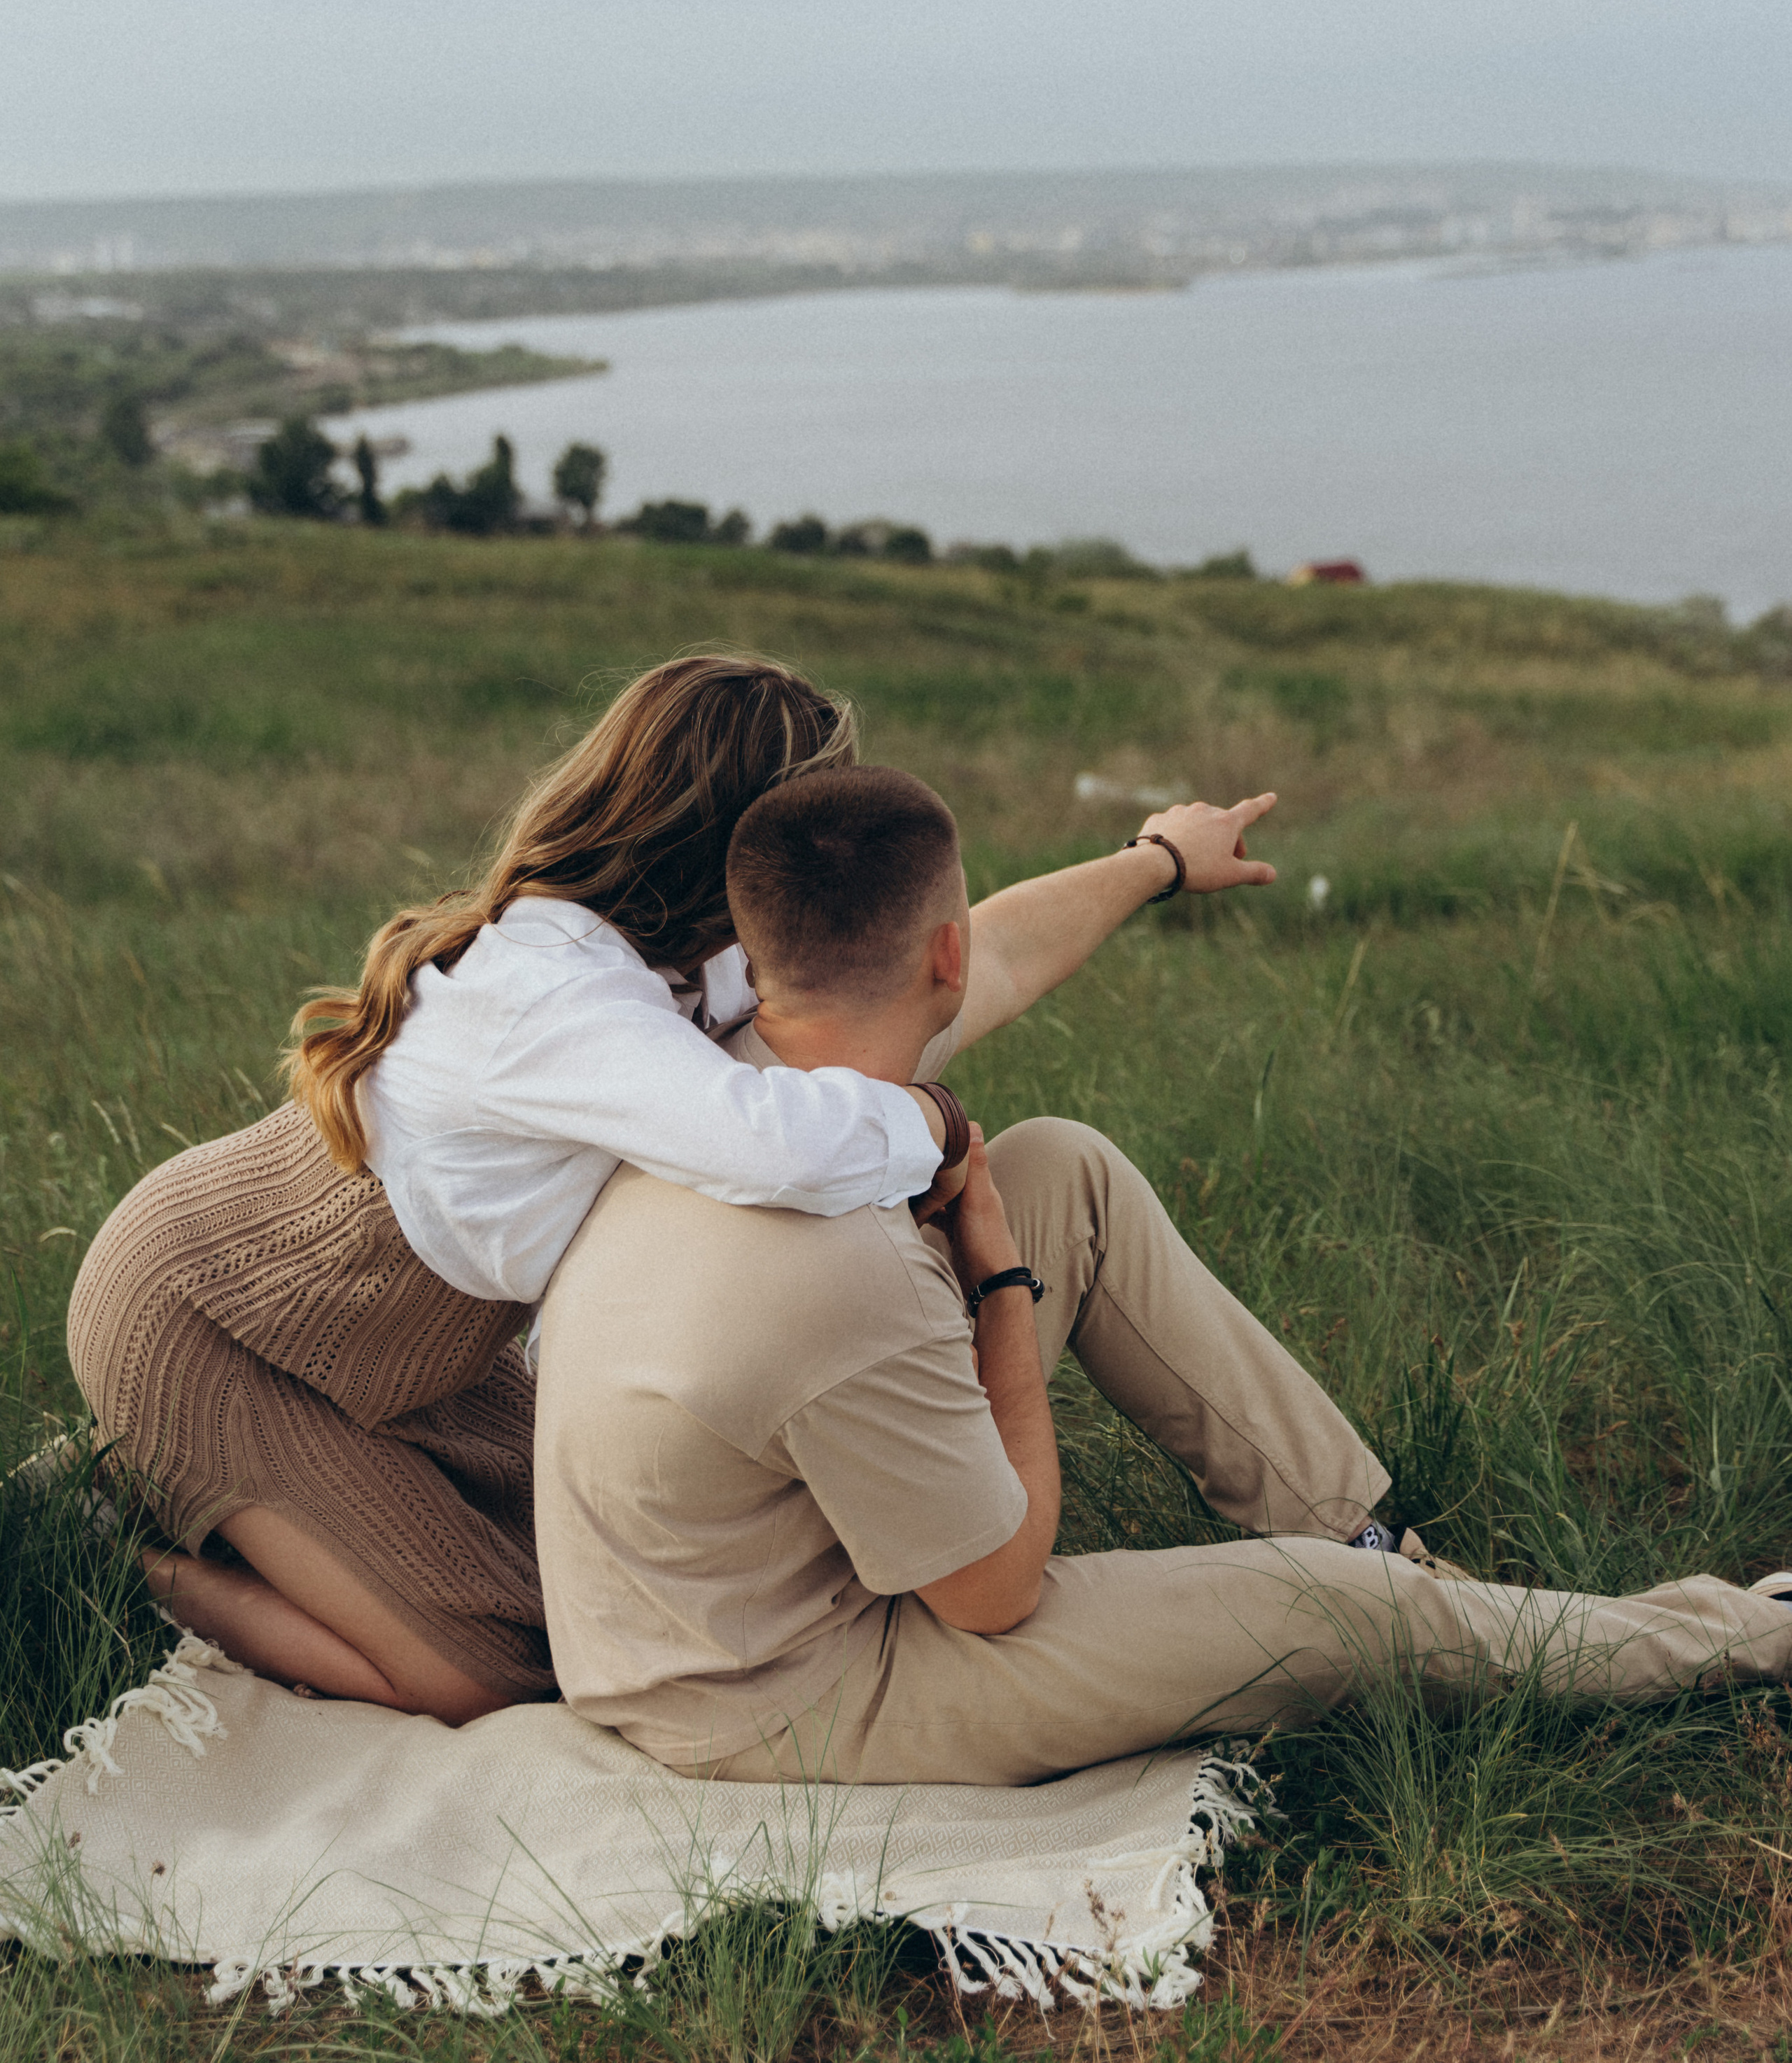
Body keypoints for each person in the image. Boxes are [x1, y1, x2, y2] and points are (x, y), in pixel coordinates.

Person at [67, 652, 1278, 1726]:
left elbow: (977, 958)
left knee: (593, 1587)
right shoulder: (552, 993)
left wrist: (1159, 862)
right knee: (489, 1671)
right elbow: (778, 1145)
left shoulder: (695, 959)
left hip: (407, 1364)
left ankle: (213, 1517)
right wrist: (942, 1127)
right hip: (213, 1331)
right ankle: (118, 1544)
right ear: (727, 841)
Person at [535, 766, 1792, 1786]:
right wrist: (1000, 1288)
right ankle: (1741, 1632)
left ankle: (1382, 1542)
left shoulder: (731, 1080)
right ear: (939, 954)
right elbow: (992, 1593)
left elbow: (1014, 946)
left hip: (710, 1568)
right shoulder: (843, 1275)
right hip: (761, 1691)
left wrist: (1161, 858)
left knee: (1061, 1168)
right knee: (1326, 1611)